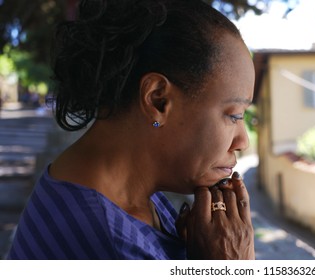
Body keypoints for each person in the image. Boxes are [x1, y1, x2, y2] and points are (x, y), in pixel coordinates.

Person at [7, 0, 255, 260]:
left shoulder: (124, 193)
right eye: (234, 115)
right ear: (158, 100)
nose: (242, 141)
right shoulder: (112, 245)